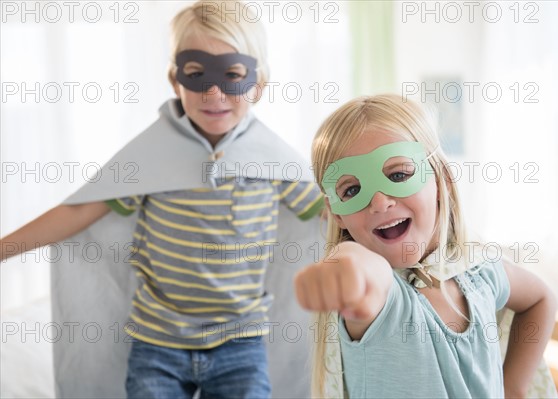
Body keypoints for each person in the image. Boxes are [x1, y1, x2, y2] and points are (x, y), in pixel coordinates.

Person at [1, 1, 323, 398]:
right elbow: (83, 208)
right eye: (196, 74)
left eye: (233, 74)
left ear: (258, 84)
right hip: (158, 341)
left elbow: (330, 214)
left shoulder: (271, 162)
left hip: (240, 341)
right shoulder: (152, 155)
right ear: (175, 81)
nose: (214, 91)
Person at [294, 94, 556, 398]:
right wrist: (344, 267)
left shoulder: (479, 272)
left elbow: (540, 299)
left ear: (441, 179)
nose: (379, 202)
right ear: (336, 212)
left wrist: (514, 387)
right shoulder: (384, 302)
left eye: (398, 175)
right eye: (352, 189)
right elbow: (365, 273)